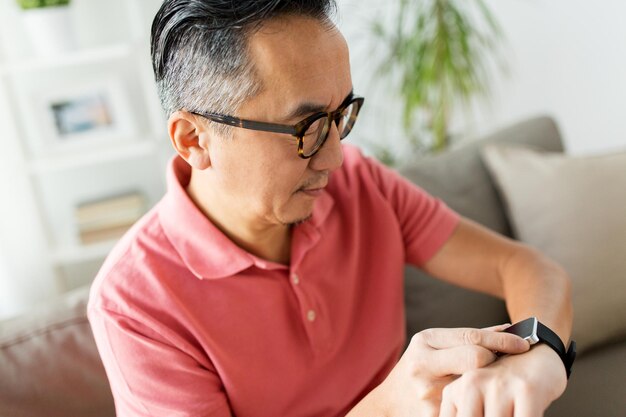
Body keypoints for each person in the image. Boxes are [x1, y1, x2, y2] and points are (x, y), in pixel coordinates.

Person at [87, 1, 574, 416]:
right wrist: (389, 404)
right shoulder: (134, 306)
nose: (336, 156)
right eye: (306, 128)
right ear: (194, 139)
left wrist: (541, 353)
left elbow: (524, 266)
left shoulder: (360, 183)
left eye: (341, 114)